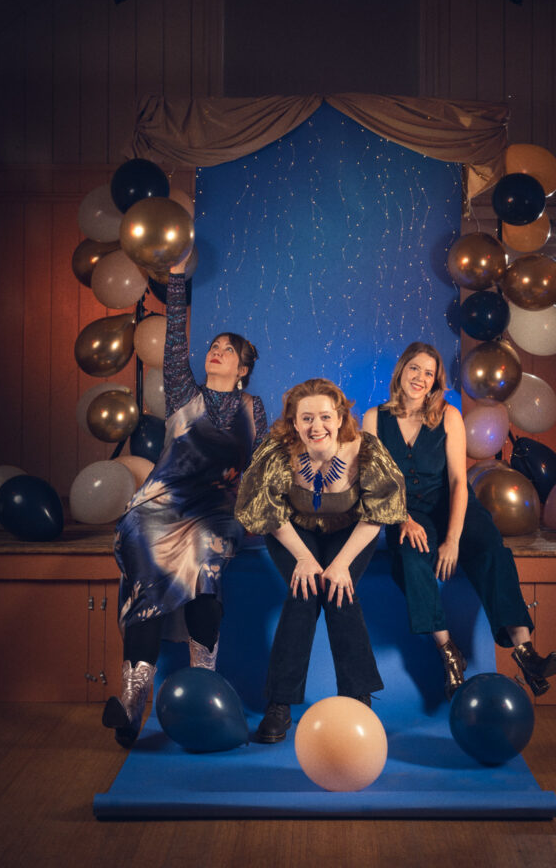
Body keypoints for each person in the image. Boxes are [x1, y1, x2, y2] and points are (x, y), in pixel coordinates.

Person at [102, 255, 267, 747]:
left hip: (215, 511)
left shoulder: (253, 408)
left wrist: (260, 513)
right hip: (159, 505)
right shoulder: (180, 393)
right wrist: (175, 281)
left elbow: (257, 467)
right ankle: (133, 699)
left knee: (206, 560)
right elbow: (174, 345)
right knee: (147, 585)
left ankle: (203, 681)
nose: (216, 352)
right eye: (214, 346)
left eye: (227, 350)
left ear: (243, 368)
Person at [363, 342, 556, 700]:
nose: (420, 378)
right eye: (415, 369)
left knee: (491, 548)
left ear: (436, 381)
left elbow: (458, 481)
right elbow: (376, 481)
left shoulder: (449, 415)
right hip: (405, 511)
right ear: (401, 371)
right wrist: (403, 519)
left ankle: (525, 652)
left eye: (429, 373)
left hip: (451, 503)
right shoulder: (374, 418)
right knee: (410, 559)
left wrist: (452, 539)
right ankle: (448, 652)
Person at [235, 378, 406, 743]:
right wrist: (303, 558)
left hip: (351, 531)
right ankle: (279, 705)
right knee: (304, 592)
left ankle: (358, 700)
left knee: (339, 591)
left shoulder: (366, 450)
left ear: (341, 417)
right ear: (294, 423)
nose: (317, 427)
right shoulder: (277, 452)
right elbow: (268, 512)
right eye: (307, 418)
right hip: (292, 530)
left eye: (326, 417)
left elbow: (377, 514)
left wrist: (341, 564)